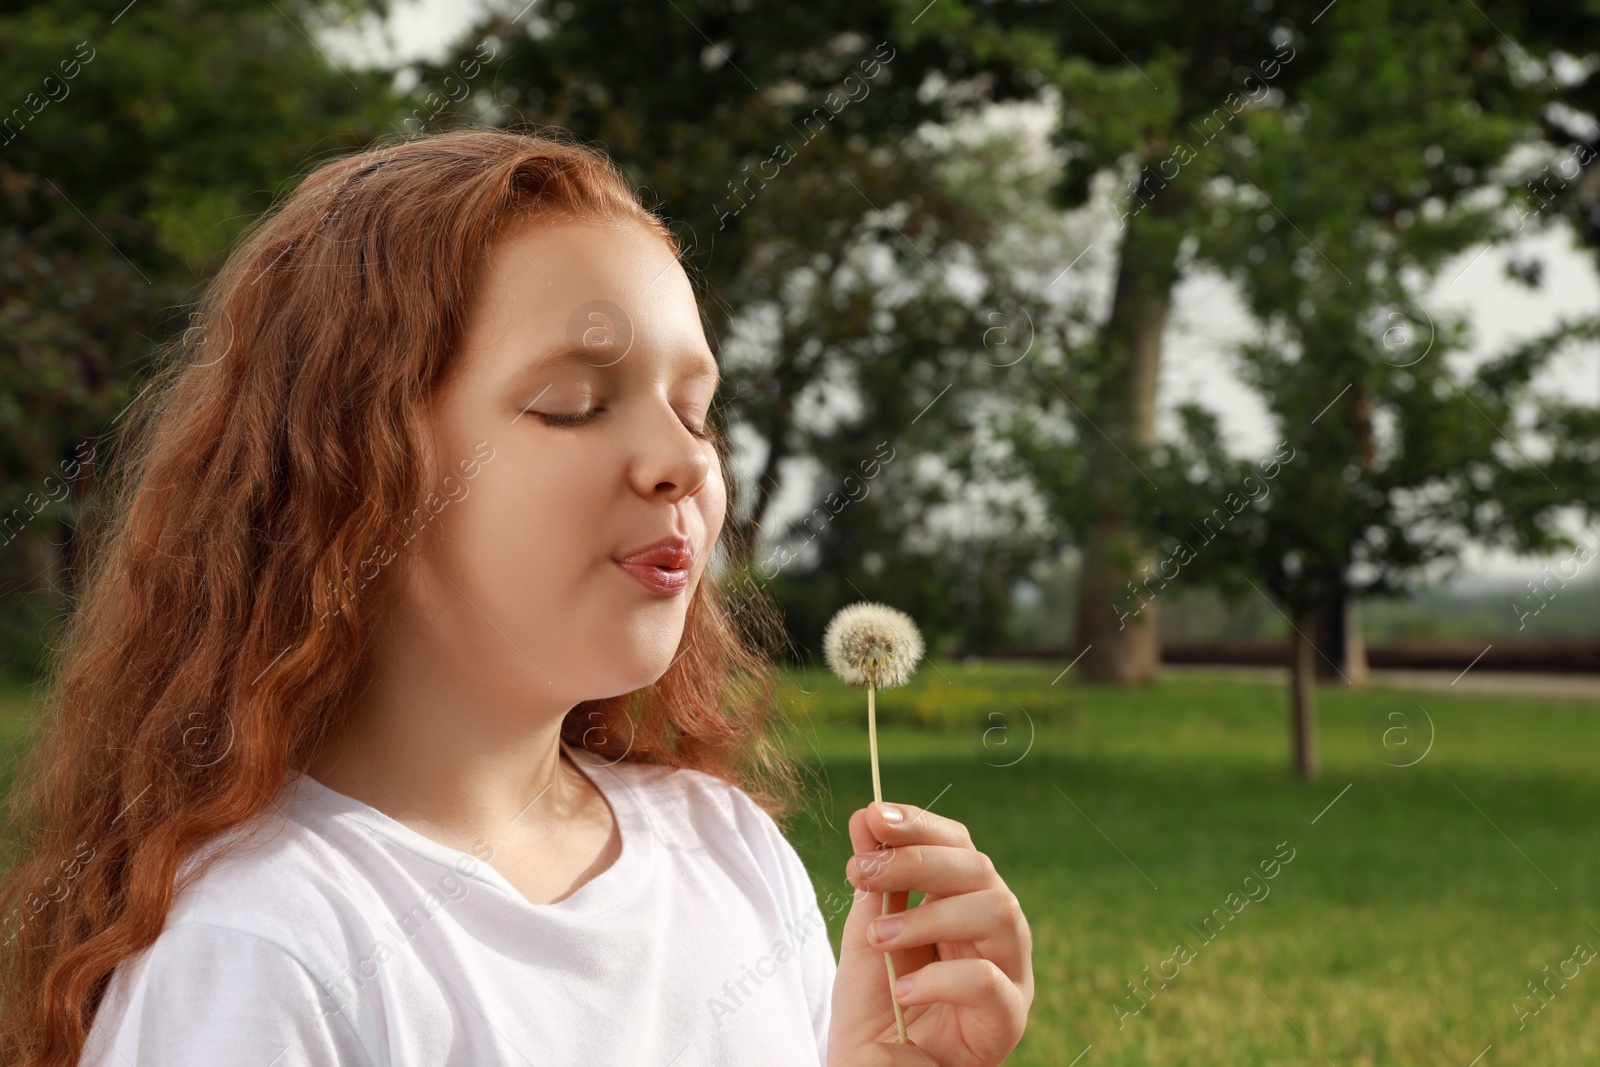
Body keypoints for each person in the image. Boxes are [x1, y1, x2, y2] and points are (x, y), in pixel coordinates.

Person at [0, 127, 1032, 1066]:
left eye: (697, 410)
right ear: (354, 473)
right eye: (576, 404)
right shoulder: (266, 949)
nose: (681, 459)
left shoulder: (726, 850)